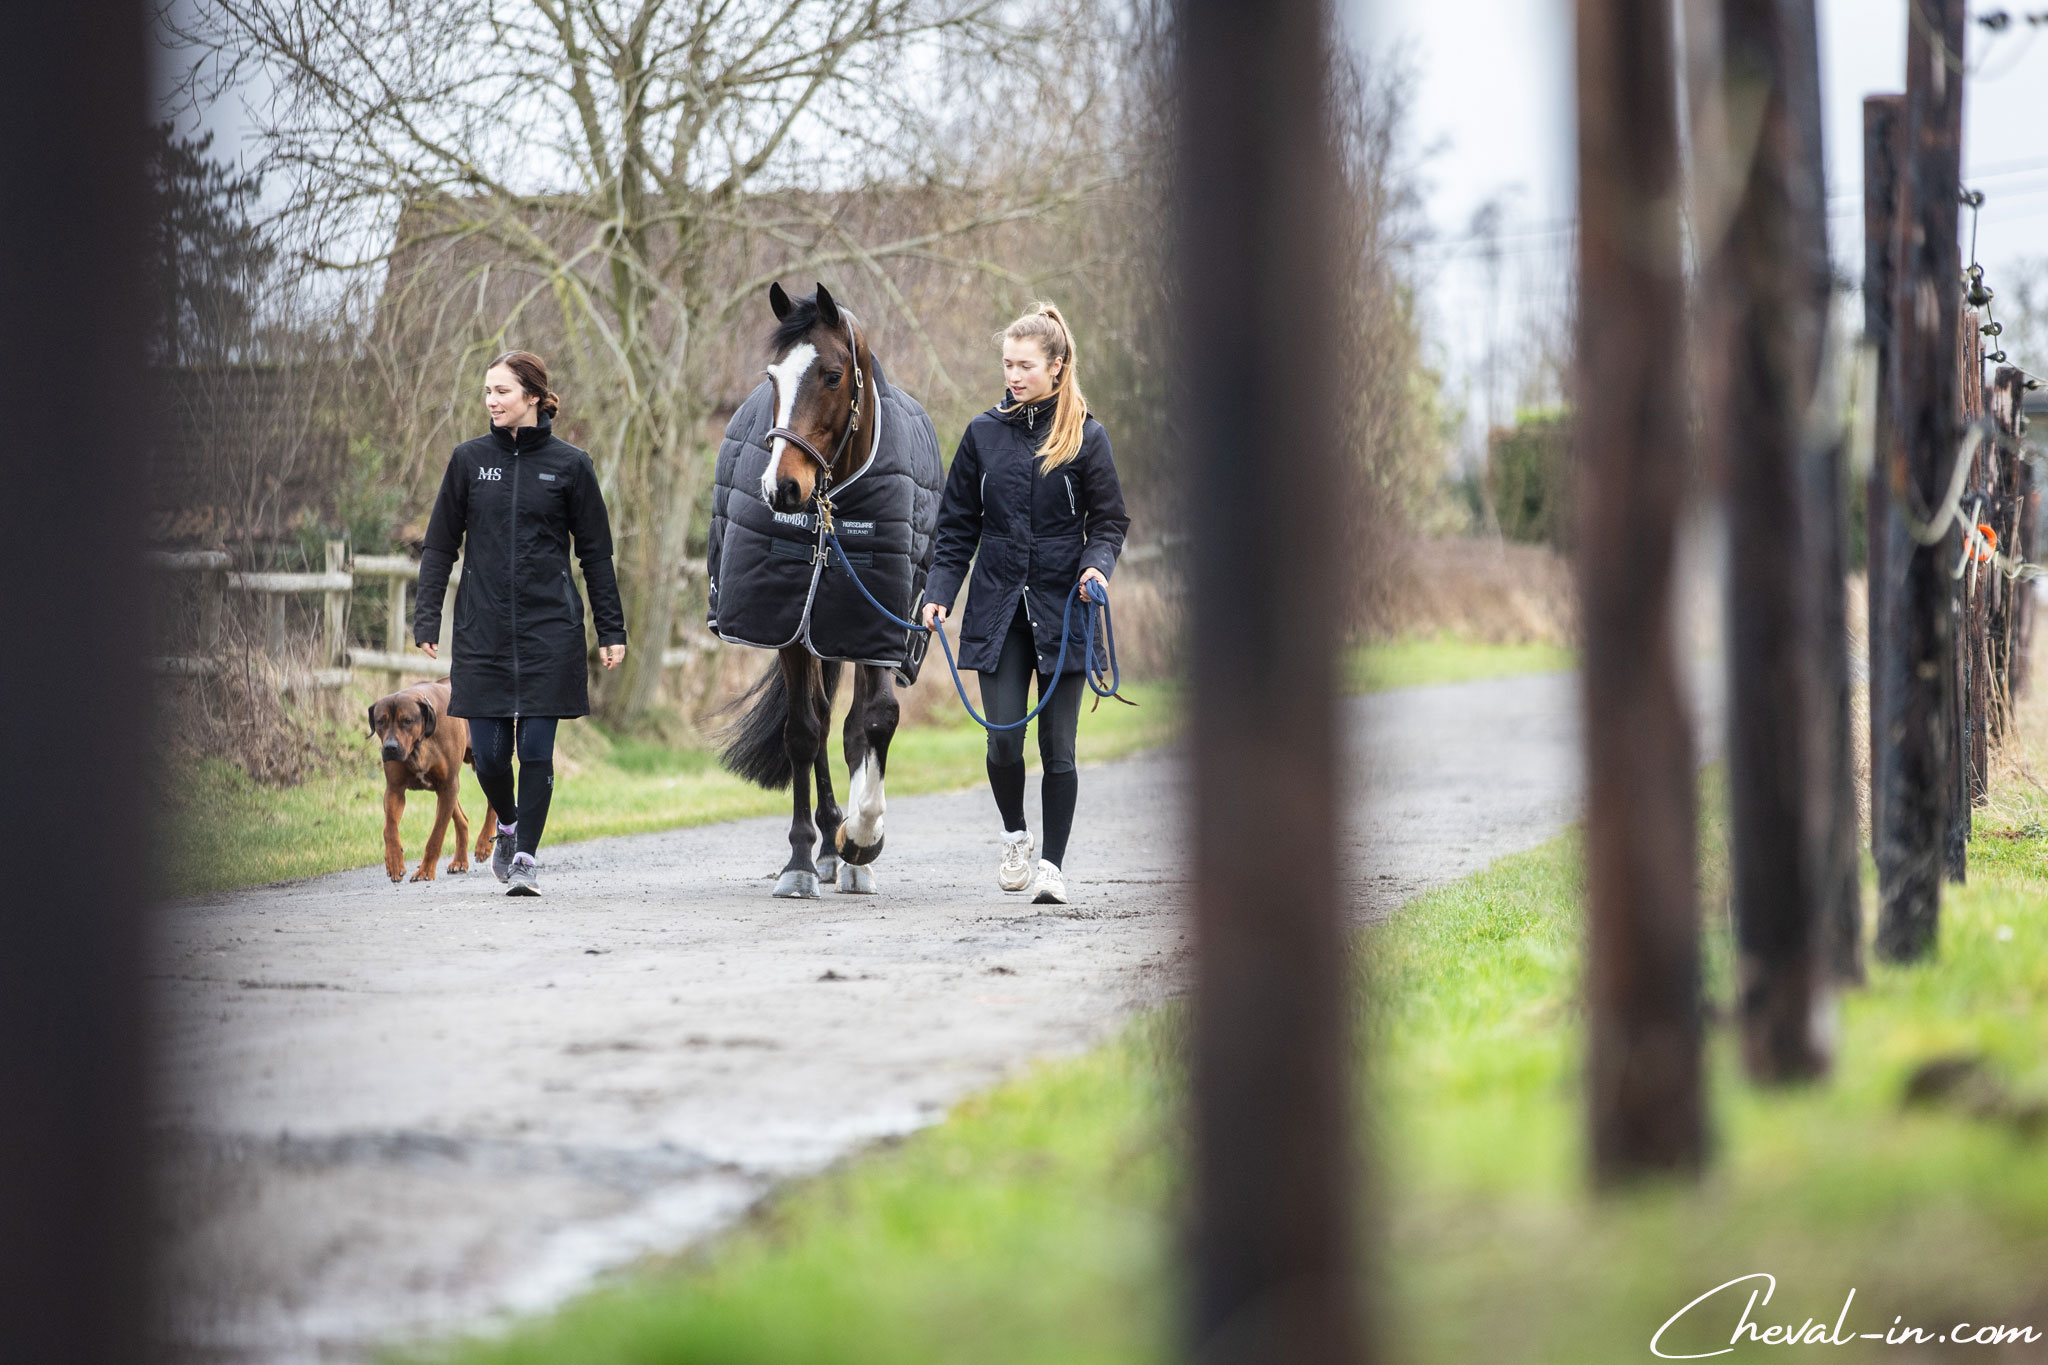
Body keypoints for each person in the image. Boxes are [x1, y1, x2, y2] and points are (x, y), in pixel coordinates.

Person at [923, 303, 1129, 905]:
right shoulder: (982, 433)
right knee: (1003, 740)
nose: (1013, 376)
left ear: (1058, 367)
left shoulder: (1087, 436)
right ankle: (1016, 835)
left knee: (1057, 746)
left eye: (1025, 365)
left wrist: (1098, 564)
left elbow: (1110, 520)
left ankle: (1052, 868)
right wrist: (939, 594)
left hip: (1065, 608)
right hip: (997, 609)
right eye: (1008, 364)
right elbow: (956, 527)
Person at [414, 350, 627, 896]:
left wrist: (611, 630)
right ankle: (507, 826)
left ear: (532, 396)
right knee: (486, 754)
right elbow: (440, 545)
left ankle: (526, 858)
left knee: (534, 750)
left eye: (502, 391)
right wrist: (427, 616)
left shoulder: (571, 465)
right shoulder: (468, 461)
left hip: (549, 630)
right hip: (482, 631)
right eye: (487, 391)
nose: (491, 400)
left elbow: (596, 555)